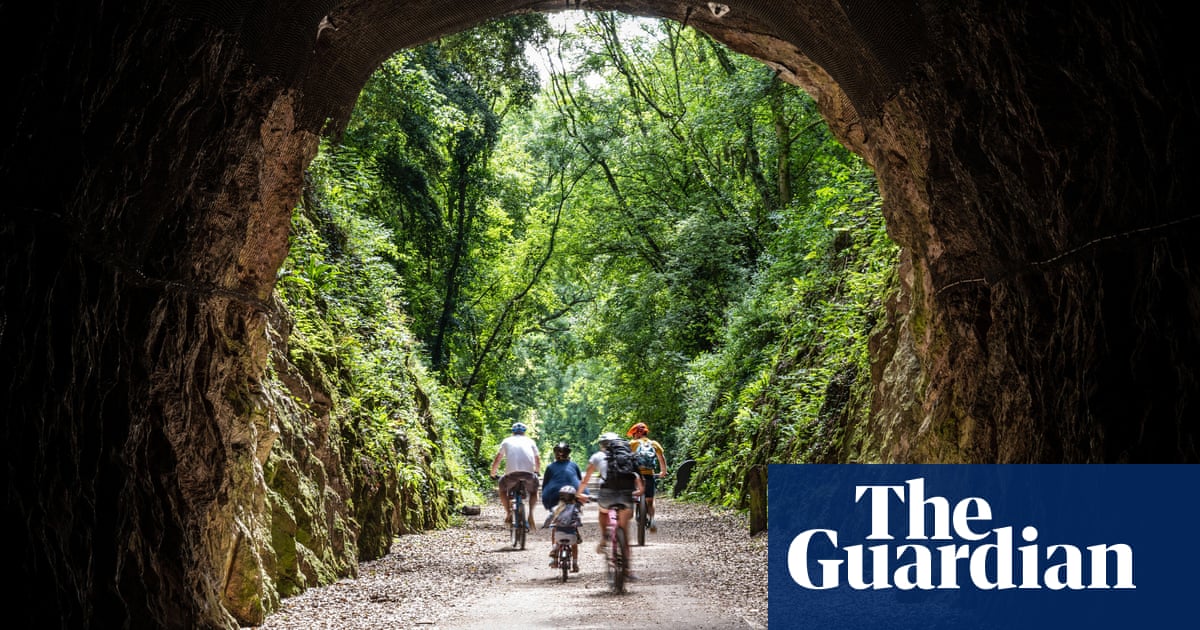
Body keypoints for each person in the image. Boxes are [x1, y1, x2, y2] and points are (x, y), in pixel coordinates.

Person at [577, 432, 643, 576]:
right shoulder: (627, 455)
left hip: (607, 494)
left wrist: (579, 494)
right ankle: (627, 569)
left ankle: (603, 538)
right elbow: (637, 477)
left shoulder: (597, 456)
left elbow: (586, 479)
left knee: (603, 511)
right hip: (626, 494)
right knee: (624, 531)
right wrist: (639, 491)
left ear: (602, 445)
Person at [490, 422, 541, 528]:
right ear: (524, 432)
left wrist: (493, 473)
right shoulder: (530, 441)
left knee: (502, 489)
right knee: (534, 491)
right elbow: (537, 459)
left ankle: (508, 512)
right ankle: (531, 514)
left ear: (512, 432)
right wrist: (537, 471)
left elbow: (498, 459)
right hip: (528, 474)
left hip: (512, 475)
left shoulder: (506, 441)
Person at [626, 422, 668, 532]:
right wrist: (663, 471)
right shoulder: (654, 443)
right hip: (649, 475)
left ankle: (631, 508)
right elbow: (661, 458)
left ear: (636, 433)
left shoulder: (632, 443)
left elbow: (625, 458)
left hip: (635, 476)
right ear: (645, 432)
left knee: (630, 494)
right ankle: (652, 519)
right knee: (650, 499)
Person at [544, 485, 583, 572]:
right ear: (573, 498)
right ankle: (575, 564)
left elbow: (549, 518)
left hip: (558, 536)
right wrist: (578, 524)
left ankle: (554, 556)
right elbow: (578, 520)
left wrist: (546, 525)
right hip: (571, 536)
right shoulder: (575, 508)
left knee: (554, 529)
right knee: (574, 544)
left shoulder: (556, 508)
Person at [541, 442, 583, 513]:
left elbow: (545, 485)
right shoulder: (574, 465)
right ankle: (577, 511)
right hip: (573, 494)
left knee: (548, 497)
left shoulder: (550, 467)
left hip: (554, 496)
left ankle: (552, 517)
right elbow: (580, 481)